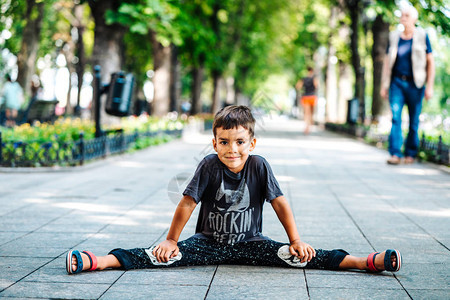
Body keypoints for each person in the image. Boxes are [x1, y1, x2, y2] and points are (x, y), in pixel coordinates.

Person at [66, 105, 402, 275]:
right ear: (214, 143)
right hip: (207, 243)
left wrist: (296, 239)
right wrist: (170, 239)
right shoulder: (209, 166)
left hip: (250, 243)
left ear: (251, 143)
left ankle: (361, 262)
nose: (233, 149)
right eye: (224, 142)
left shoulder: (259, 166)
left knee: (299, 257)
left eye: (240, 142)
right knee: (160, 256)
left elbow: (280, 203)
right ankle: (102, 261)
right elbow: (186, 203)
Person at [380, 4, 435, 165]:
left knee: (413, 120)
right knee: (396, 118)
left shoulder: (422, 36)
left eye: (406, 16)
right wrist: (384, 85)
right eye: (402, 15)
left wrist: (429, 86)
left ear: (414, 19)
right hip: (397, 82)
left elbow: (430, 62)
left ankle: (410, 153)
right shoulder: (394, 36)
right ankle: (395, 153)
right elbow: (386, 62)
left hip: (416, 84)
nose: (403, 18)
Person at [296, 67, 318, 135]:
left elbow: (297, 86)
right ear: (312, 71)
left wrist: (302, 90)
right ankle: (309, 124)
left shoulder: (303, 79)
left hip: (305, 96)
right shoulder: (314, 78)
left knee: (306, 113)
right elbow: (317, 86)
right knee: (311, 112)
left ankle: (307, 127)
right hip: (312, 97)